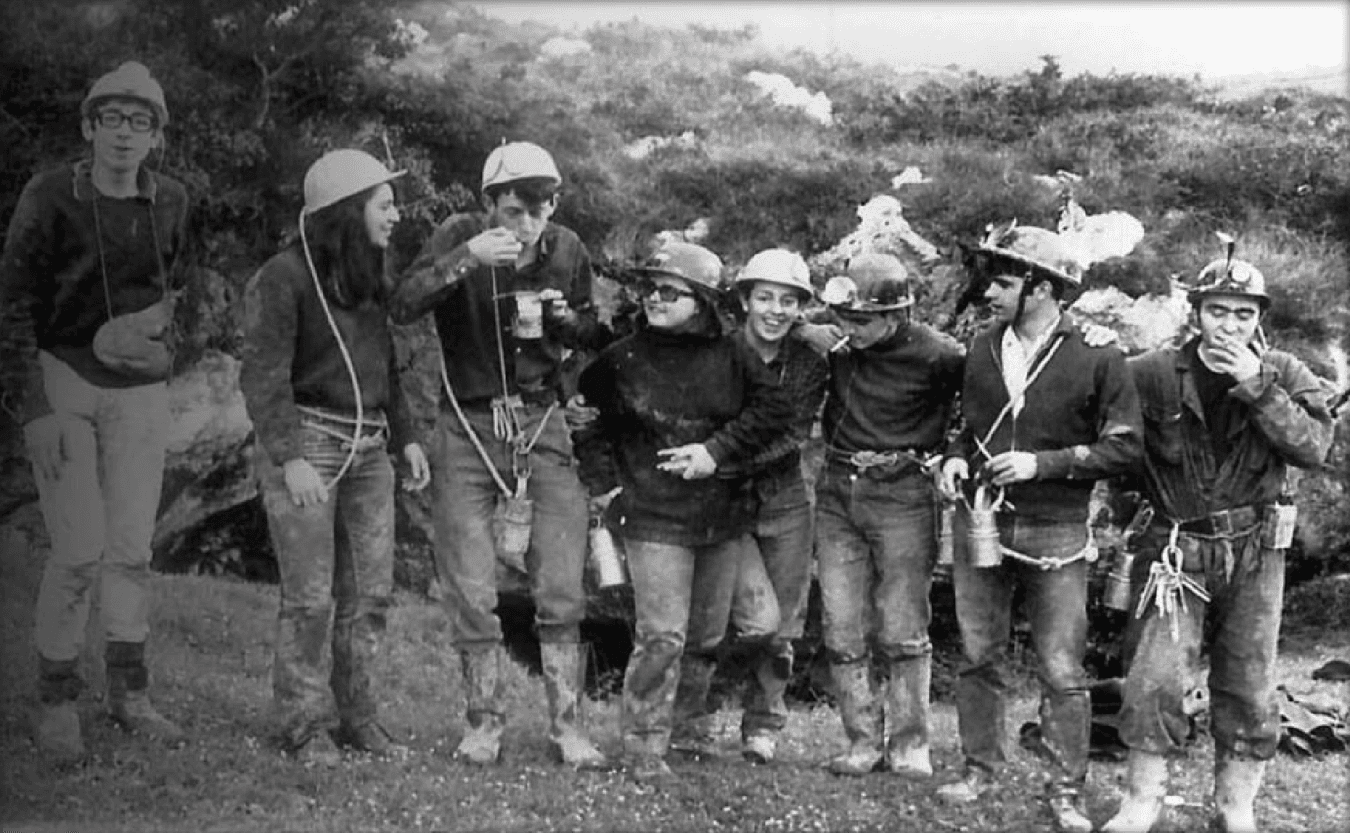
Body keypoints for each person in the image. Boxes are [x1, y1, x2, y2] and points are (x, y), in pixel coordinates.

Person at [388, 141, 609, 768]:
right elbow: (403, 305)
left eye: (540, 210)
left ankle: (568, 727)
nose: (527, 225)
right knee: (468, 581)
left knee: (562, 583)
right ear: (489, 205)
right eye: (513, 210)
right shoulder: (460, 234)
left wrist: (567, 328)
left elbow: (597, 336)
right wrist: (463, 260)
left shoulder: (568, 249)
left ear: (555, 204)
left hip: (543, 421)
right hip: (466, 423)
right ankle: (483, 724)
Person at [1101, 250, 1333, 833]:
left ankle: (1236, 806)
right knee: (1154, 678)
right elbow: (1120, 454)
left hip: (1256, 552)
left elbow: (1312, 447)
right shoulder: (1150, 372)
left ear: (1260, 318)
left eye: (1243, 313)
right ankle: (1142, 801)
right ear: (1195, 313)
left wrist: (1256, 388)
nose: (1229, 325)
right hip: (1175, 551)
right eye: (1217, 311)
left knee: (1249, 682)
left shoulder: (1285, 372)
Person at [0, 61, 192, 759]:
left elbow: (181, 285)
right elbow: (13, 308)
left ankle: (129, 692)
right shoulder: (49, 196)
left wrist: (162, 339)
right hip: (63, 381)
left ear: (156, 137)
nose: (123, 133)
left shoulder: (169, 201)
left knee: (132, 547)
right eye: (110, 117)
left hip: (138, 388)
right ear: (88, 127)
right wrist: (35, 409)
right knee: (78, 547)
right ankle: (56, 698)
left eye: (140, 121)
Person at [937, 223, 1143, 832]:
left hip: (1057, 528)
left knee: (1060, 667)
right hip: (980, 517)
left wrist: (1043, 464)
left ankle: (1065, 789)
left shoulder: (1100, 355)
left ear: (1044, 288)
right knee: (978, 653)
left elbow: (1125, 449)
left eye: (1002, 282)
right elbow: (966, 422)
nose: (988, 294)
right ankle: (979, 767)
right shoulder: (980, 346)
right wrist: (955, 455)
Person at [572, 241, 791, 783]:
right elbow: (586, 421)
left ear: (703, 302)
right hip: (652, 517)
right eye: (651, 289)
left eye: (671, 291)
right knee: (663, 634)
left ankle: (688, 730)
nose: (655, 298)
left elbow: (774, 410)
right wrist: (603, 489)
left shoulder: (734, 354)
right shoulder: (621, 358)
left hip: (721, 517)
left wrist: (713, 452)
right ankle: (644, 747)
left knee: (713, 634)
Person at [239, 149, 430, 764]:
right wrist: (289, 457)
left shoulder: (367, 276)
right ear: (349, 212)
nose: (396, 215)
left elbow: (386, 372)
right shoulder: (283, 277)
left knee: (370, 594)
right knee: (310, 598)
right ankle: (302, 724)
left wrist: (408, 438)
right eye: (385, 203)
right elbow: (263, 376)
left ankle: (360, 720)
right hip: (309, 444)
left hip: (370, 447)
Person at [668, 248, 829, 765]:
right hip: (724, 505)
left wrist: (718, 458)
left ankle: (762, 725)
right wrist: (715, 463)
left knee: (782, 627)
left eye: (788, 301)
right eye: (765, 298)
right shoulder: (717, 351)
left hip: (783, 501)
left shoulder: (807, 360)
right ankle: (691, 721)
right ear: (744, 300)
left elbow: (790, 434)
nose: (776, 311)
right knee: (718, 618)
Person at [812, 253, 966, 778]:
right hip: (837, 492)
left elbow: (981, 403)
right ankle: (861, 742)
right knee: (841, 624)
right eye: (843, 319)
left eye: (860, 320)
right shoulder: (832, 345)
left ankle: (909, 742)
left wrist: (952, 452)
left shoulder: (940, 356)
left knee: (902, 624)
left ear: (896, 315)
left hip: (904, 493)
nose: (848, 330)